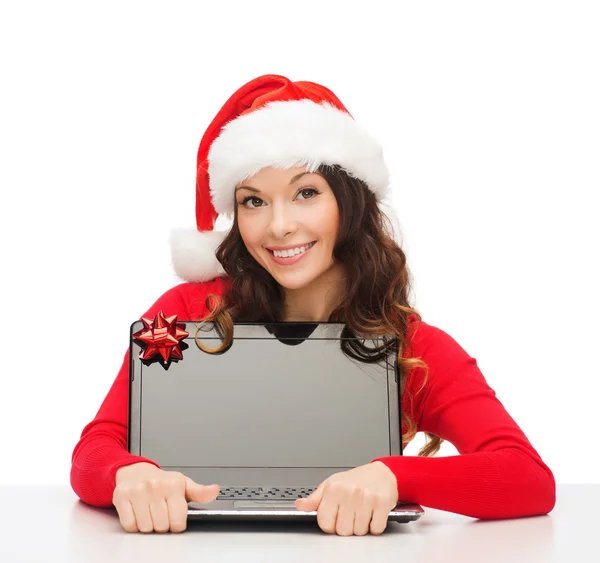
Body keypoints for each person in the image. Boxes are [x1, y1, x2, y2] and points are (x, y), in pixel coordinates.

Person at [70, 74, 555, 536]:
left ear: (350, 202)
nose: (278, 226)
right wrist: (126, 474)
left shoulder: (412, 347)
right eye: (253, 201)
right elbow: (95, 448)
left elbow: (528, 477)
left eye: (305, 193)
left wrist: (394, 478)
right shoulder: (186, 314)